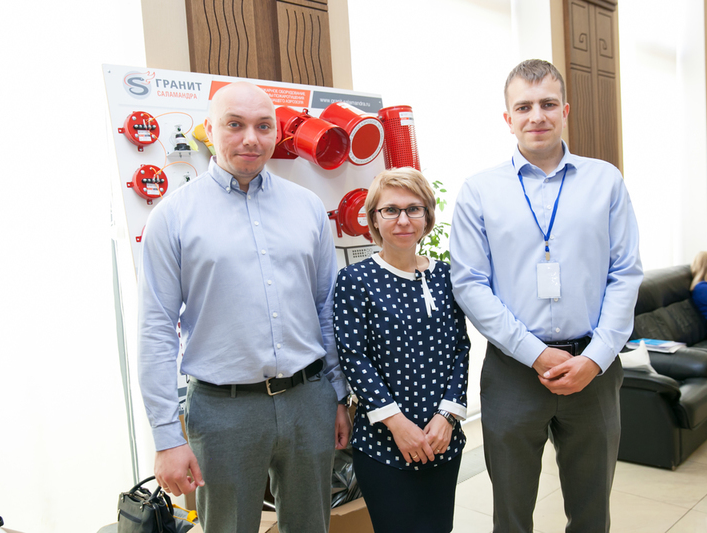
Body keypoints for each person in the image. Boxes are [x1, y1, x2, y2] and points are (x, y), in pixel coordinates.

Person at [137, 81, 352, 533]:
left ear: (276, 132)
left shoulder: (308, 207)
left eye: (263, 126)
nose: (251, 139)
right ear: (209, 130)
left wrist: (336, 394)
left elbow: (326, 307)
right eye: (234, 125)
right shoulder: (172, 216)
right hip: (223, 411)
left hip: (308, 399)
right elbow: (156, 328)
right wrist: (166, 437)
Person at [450, 59, 643, 533]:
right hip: (514, 372)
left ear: (565, 111)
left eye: (548, 104)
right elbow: (470, 283)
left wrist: (595, 358)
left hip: (593, 370)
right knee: (511, 514)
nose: (536, 116)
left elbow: (625, 273)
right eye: (524, 107)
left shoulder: (605, 180)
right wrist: (536, 353)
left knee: (592, 511)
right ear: (508, 118)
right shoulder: (479, 191)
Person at [333, 168, 470, 533]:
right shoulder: (355, 280)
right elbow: (353, 357)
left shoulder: (447, 276)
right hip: (384, 443)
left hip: (442, 437)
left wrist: (448, 416)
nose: (403, 220)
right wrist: (398, 425)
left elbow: (460, 347)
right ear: (374, 218)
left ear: (428, 216)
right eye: (391, 210)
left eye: (414, 209)